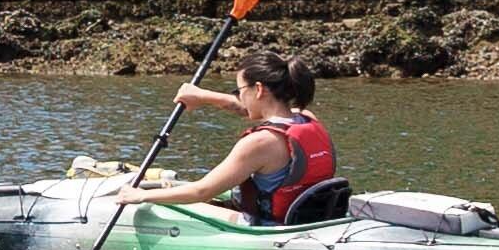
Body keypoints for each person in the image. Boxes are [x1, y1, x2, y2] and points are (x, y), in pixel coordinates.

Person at [116, 55, 339, 226]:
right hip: (305, 218)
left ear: (259, 89)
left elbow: (201, 192)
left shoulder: (260, 143)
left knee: (171, 203)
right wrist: (203, 96)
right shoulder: (306, 119)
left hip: (264, 226)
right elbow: (252, 109)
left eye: (239, 89)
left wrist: (140, 195)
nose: (239, 96)